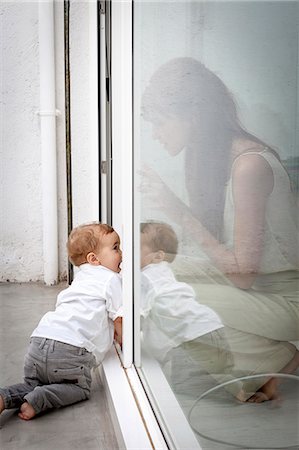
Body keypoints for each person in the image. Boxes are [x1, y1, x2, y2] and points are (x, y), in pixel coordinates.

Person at [141, 57, 299, 402]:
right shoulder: (212, 157)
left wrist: (178, 211)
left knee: (160, 291)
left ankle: (276, 360)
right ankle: (258, 360)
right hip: (258, 290)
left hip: (287, 299)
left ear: (193, 116)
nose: (155, 133)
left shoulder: (249, 165)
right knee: (150, 271)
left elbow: (242, 273)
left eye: (160, 122)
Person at [0, 222, 123, 420]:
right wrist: (125, 342)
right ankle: (38, 400)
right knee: (80, 388)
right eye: (116, 247)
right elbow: (120, 317)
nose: (122, 253)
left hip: (39, 342)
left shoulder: (80, 280)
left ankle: (3, 398)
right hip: (72, 352)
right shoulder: (112, 279)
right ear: (94, 258)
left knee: (31, 384)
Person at [140, 221, 246, 400]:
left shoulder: (145, 277)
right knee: (217, 370)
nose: (124, 253)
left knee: (189, 384)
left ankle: (239, 392)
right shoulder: (162, 272)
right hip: (206, 328)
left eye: (133, 247)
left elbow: (138, 315)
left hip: (192, 338)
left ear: (157, 257)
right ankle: (245, 380)